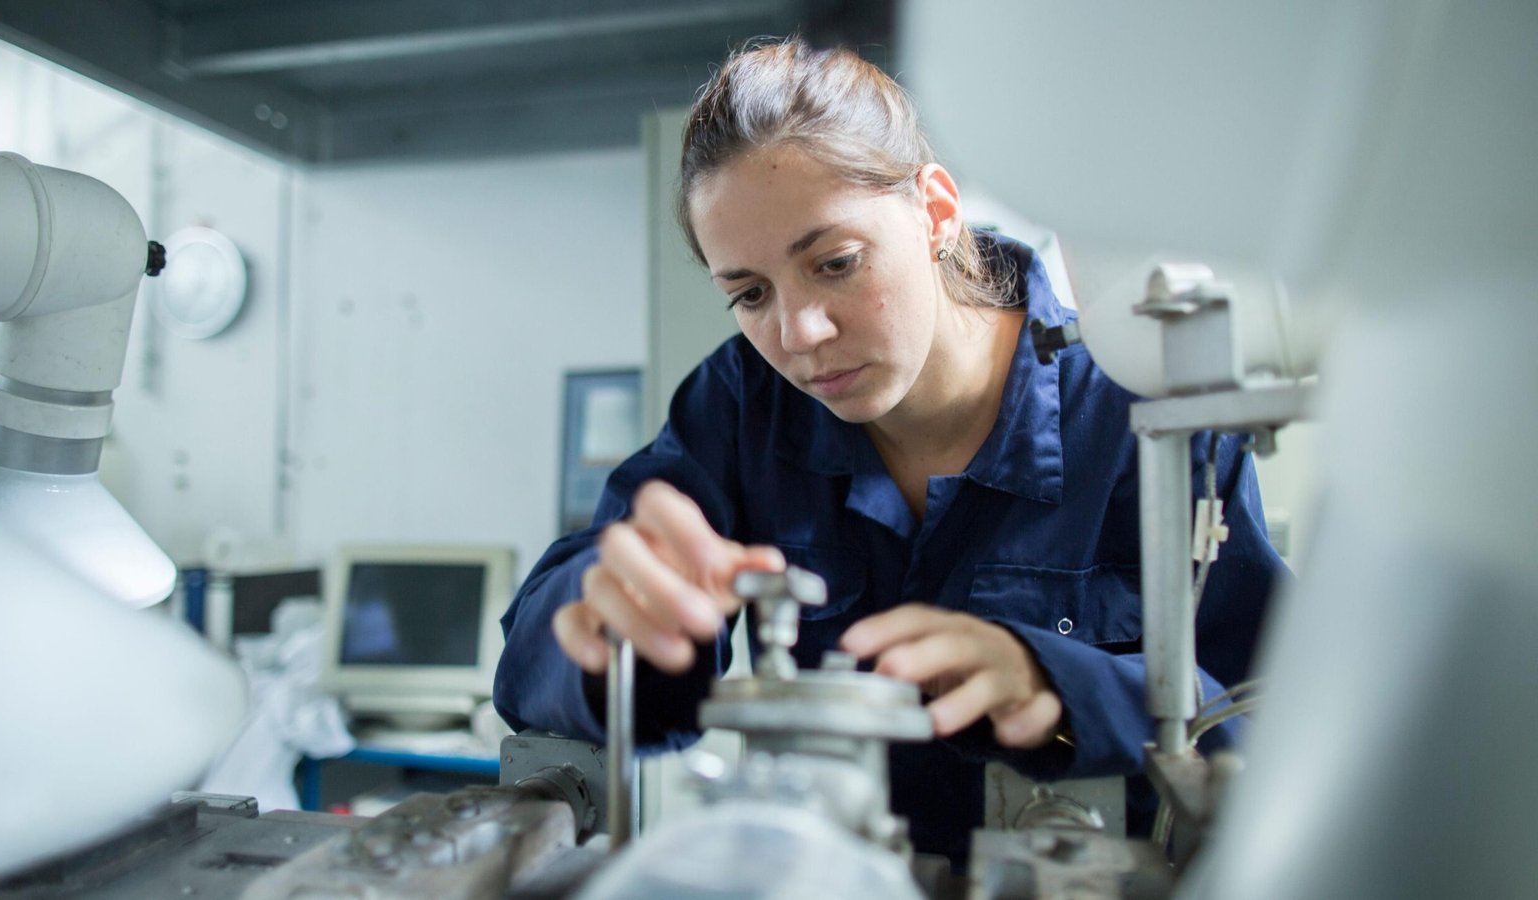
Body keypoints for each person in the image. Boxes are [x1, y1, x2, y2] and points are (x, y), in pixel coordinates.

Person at [494, 36, 1286, 866]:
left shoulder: (1141, 408)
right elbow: (536, 662)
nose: (800, 333)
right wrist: (608, 623)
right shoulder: (742, 407)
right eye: (751, 294)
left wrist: (1060, 689)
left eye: (836, 263)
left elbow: (1274, 717)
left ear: (936, 212)